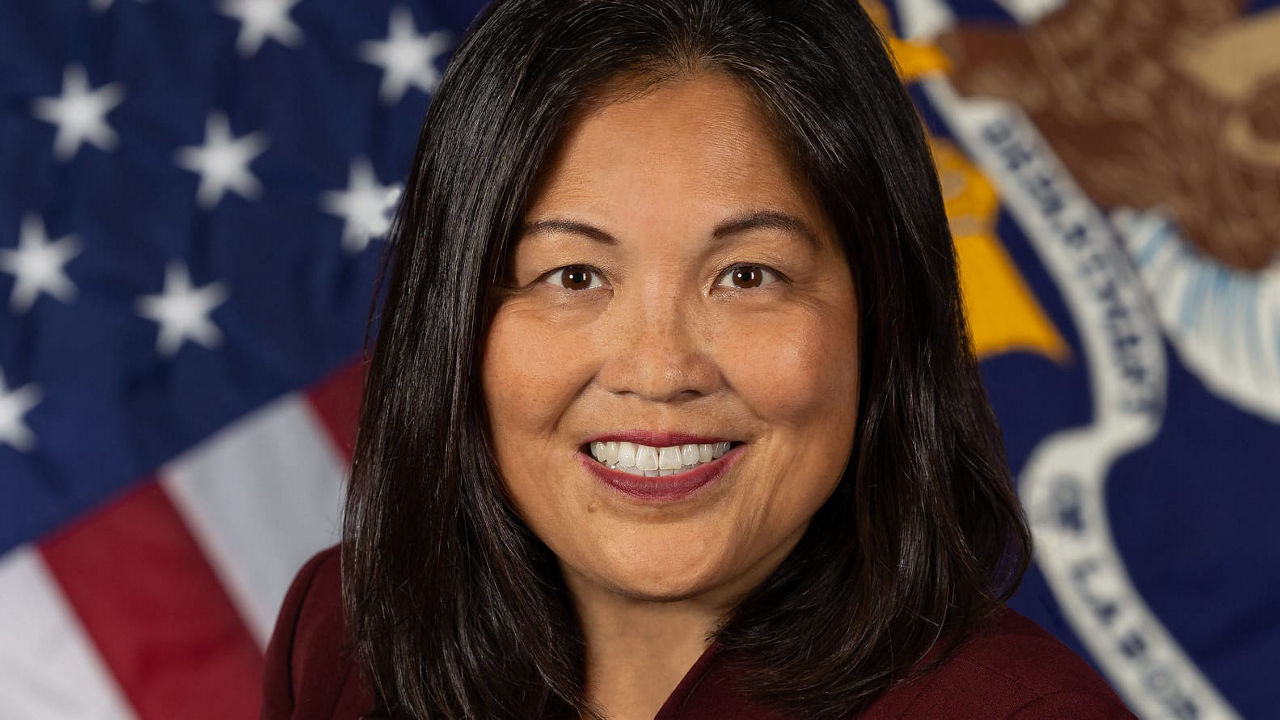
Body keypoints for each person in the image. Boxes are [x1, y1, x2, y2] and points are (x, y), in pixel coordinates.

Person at [262, 1, 1137, 718]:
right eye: (574, 274)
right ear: (452, 322)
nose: (659, 366)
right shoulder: (347, 637)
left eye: (746, 275)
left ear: (885, 314)